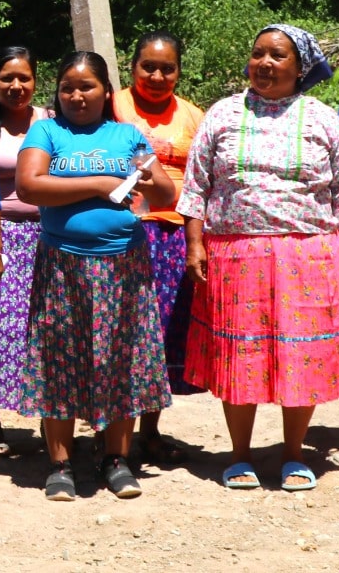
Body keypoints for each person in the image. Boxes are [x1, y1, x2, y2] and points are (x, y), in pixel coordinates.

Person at [179, 24, 339, 491]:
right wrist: (195, 243)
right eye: (258, 53)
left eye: (277, 56)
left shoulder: (322, 119)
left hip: (310, 256)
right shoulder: (223, 113)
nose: (265, 63)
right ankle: (240, 456)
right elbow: (196, 185)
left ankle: (294, 454)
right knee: (242, 355)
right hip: (235, 255)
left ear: (301, 68)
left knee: (302, 357)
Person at [15, 51, 173, 500]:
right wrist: (102, 183)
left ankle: (116, 460)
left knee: (121, 360)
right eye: (68, 87)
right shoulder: (46, 130)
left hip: (124, 264)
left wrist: (147, 180)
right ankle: (60, 465)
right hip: (63, 264)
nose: (77, 95)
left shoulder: (126, 134)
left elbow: (164, 190)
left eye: (87, 87)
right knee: (59, 359)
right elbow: (30, 185)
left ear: (106, 91)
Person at [112, 31, 205, 465]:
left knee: (161, 337)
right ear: (132, 67)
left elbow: (202, 183)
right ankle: (113, 435)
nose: (157, 75)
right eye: (148, 65)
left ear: (179, 72)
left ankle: (150, 432)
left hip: (172, 237)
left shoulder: (193, 116)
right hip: (122, 231)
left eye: (168, 68)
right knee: (121, 334)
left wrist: (196, 239)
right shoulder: (112, 105)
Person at [0, 46, 49, 458]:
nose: (16, 86)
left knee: (45, 326)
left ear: (36, 80)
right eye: (7, 78)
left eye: (24, 77)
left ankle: (49, 416)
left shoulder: (52, 122)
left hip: (47, 237)